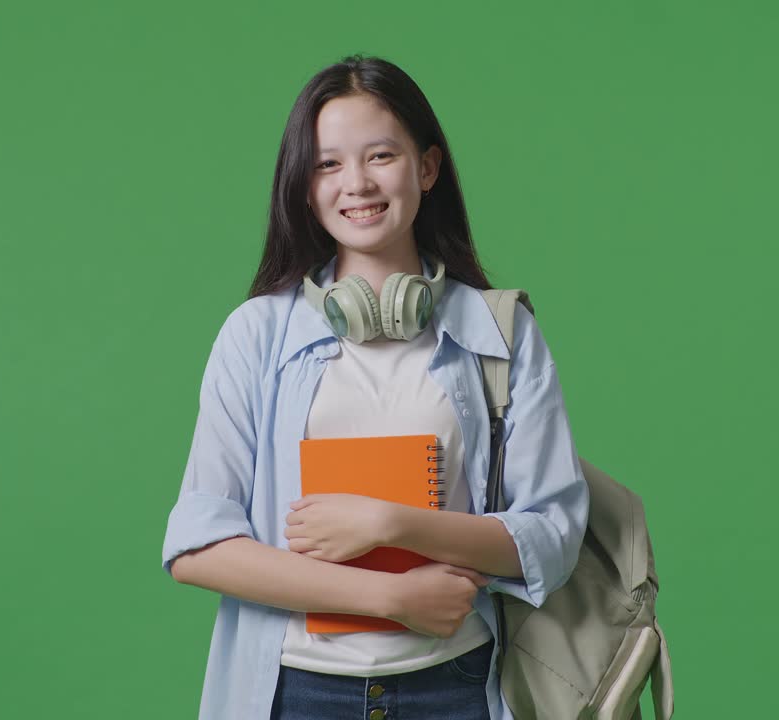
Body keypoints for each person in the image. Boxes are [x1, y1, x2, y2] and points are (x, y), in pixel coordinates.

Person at [161, 53, 589, 720]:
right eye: (329, 164)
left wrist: (392, 523)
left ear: (426, 167)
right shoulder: (256, 334)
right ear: (305, 186)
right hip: (294, 691)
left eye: (380, 156)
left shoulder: (500, 334)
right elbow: (198, 546)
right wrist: (388, 598)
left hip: (458, 685)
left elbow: (553, 535)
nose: (355, 183)